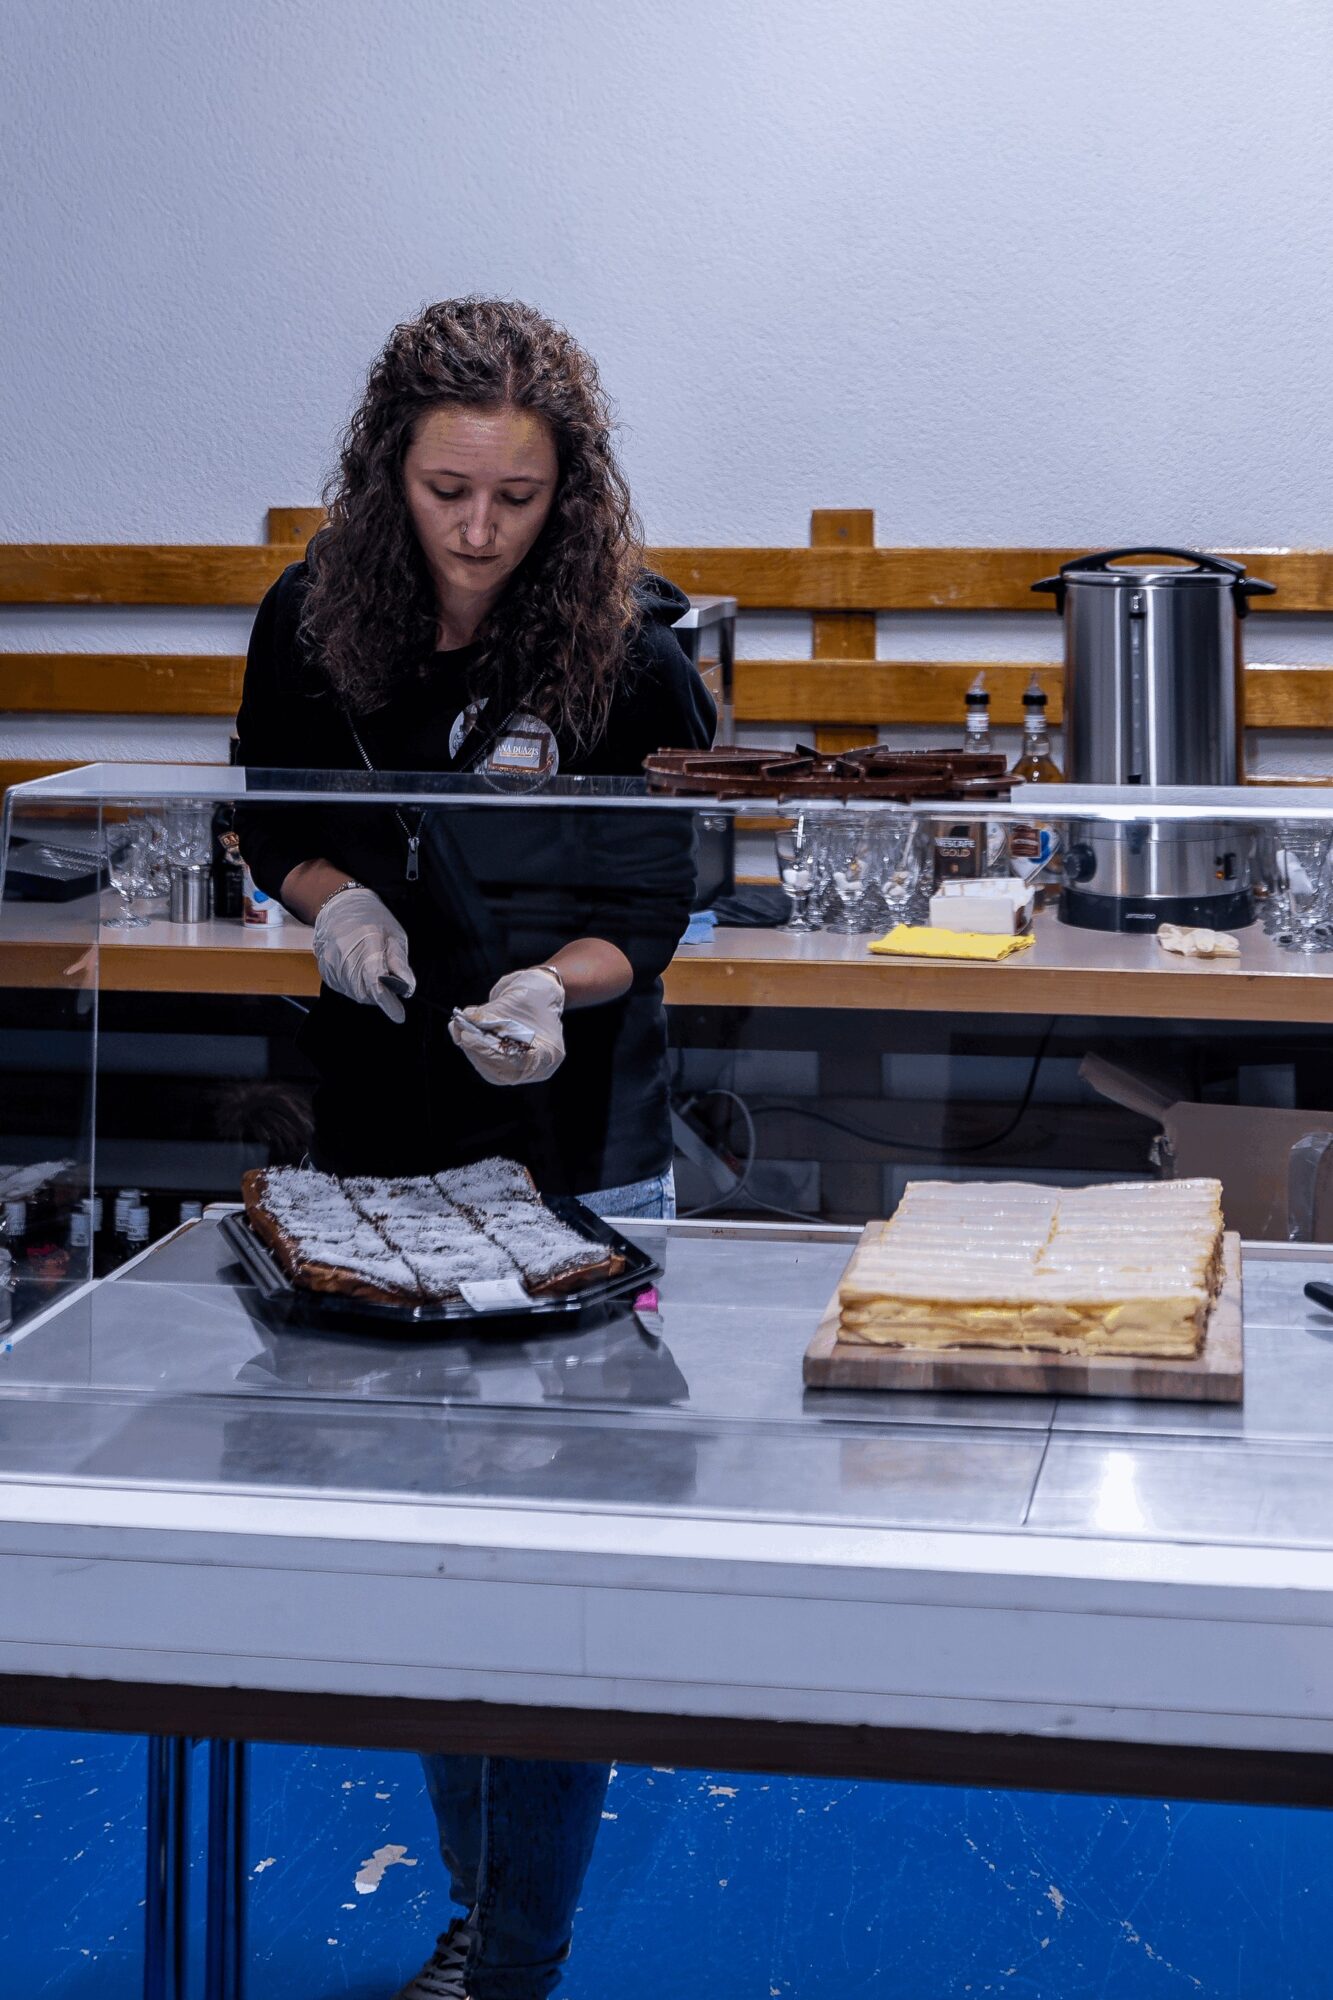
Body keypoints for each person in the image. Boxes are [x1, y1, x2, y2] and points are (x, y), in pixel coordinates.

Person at [235, 297, 714, 2000]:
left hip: (578, 1135)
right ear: (390, 474)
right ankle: (483, 1904)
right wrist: (337, 907)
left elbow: (648, 906)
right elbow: (274, 821)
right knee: (437, 1558)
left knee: (554, 1567)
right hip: (386, 1142)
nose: (480, 531)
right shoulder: (310, 619)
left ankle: (510, 1949)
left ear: (567, 492)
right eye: (448, 493)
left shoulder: (630, 652)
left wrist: (544, 989)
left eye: (518, 497)